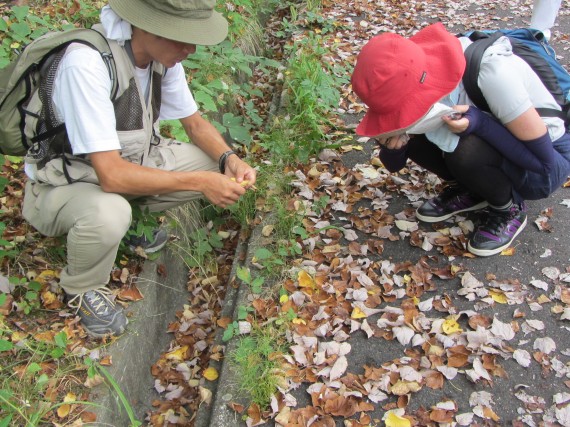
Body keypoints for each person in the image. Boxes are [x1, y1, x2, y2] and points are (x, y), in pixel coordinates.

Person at [21, 0, 257, 338]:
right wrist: (201, 183)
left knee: (214, 167)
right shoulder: (86, 64)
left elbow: (194, 123)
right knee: (110, 211)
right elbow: (112, 176)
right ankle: (83, 288)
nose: (190, 49)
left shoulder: (161, 57)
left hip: (124, 167)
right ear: (146, 26)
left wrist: (229, 160)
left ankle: (127, 226)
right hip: (62, 186)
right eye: (182, 38)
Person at [350, 22, 570, 257]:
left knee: (466, 147)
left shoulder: (494, 72)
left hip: (545, 162)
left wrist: (480, 123)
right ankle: (474, 189)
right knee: (413, 132)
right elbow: (394, 165)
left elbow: (547, 167)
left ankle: (508, 209)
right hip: (506, 151)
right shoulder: (409, 73)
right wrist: (394, 147)